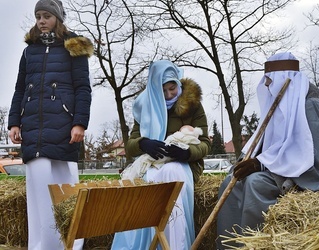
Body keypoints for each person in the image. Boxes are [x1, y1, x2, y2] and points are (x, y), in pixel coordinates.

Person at [216, 52, 319, 249]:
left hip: (310, 174)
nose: (266, 85)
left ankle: (255, 245)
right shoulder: (280, 103)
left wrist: (260, 165)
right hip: (280, 168)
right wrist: (247, 160)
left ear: (283, 78)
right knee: (232, 181)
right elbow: (270, 143)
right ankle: (230, 246)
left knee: (256, 183)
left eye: (269, 80)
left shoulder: (310, 104)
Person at [7, 0, 93, 249]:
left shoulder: (73, 47)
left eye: (46, 16)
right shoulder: (29, 51)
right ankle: (41, 246)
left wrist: (80, 123)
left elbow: (83, 88)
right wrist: (14, 122)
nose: (41, 21)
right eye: (38, 16)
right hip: (33, 129)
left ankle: (69, 245)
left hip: (64, 128)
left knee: (65, 191)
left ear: (57, 17)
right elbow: (20, 88)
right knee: (38, 193)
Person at [111, 60, 211, 249]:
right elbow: (131, 145)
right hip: (152, 164)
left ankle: (174, 244)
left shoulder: (193, 105)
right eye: (163, 91)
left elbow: (205, 144)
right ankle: (151, 243)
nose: (168, 95)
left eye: (172, 89)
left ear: (178, 83)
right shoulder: (146, 106)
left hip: (184, 163)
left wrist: (186, 152)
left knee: (172, 173)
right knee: (145, 182)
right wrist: (144, 143)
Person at [120, 125, 204, 179]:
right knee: (146, 169)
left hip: (184, 165)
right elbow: (130, 147)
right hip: (152, 161)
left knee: (172, 171)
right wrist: (142, 143)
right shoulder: (144, 105)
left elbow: (204, 143)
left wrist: (188, 152)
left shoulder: (193, 105)